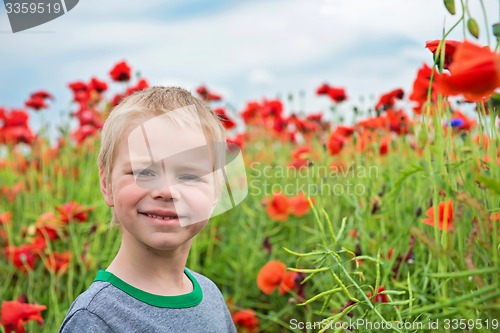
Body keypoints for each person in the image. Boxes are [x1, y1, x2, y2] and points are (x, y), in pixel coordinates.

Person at [59, 86, 237, 332]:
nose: (167, 191)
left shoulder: (211, 296)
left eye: (188, 175)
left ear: (216, 192)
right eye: (144, 172)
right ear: (106, 183)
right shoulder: (96, 319)